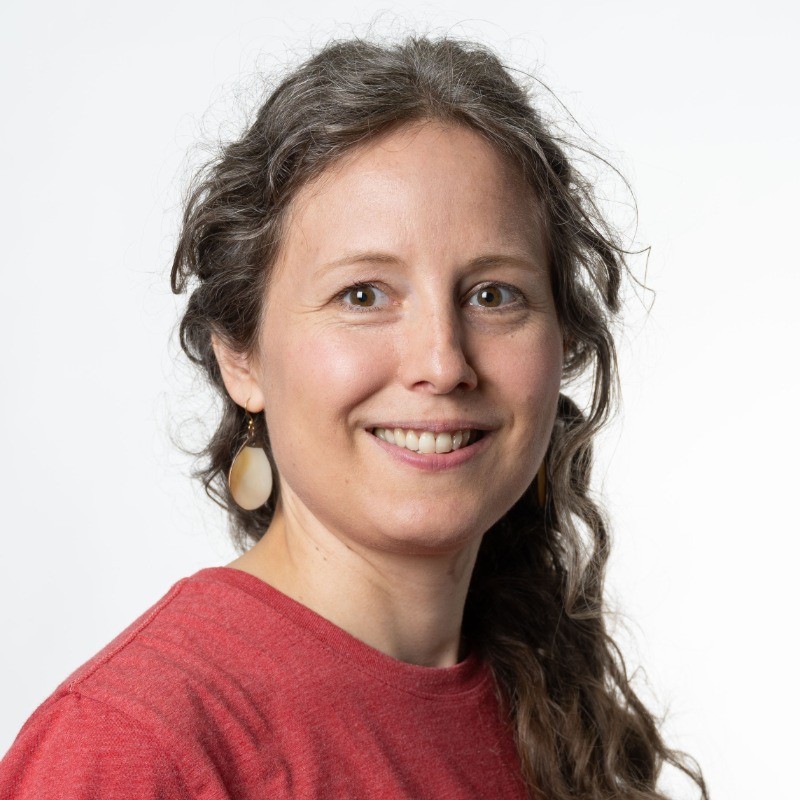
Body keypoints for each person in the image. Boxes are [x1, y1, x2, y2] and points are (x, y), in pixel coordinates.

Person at [0, 35, 707, 799]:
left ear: (562, 338)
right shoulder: (136, 743)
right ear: (242, 357)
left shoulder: (547, 704)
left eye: (493, 295)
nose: (442, 362)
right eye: (364, 295)